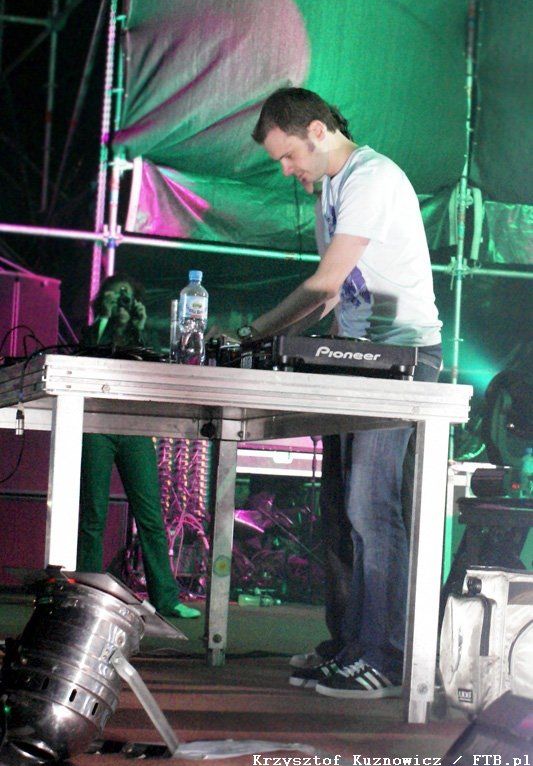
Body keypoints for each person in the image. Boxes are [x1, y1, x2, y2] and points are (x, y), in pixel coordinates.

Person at [227, 87, 443, 698]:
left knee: (372, 508)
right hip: (360, 360)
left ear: (318, 132)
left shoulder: (370, 178)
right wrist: (273, 345)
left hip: (402, 360)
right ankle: (350, 646)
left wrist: (252, 333)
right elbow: (332, 298)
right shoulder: (331, 189)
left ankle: (386, 657)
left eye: (288, 155)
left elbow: (324, 282)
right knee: (340, 512)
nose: (285, 169)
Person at [76, 274, 200, 619]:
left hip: (133, 428)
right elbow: (88, 352)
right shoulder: (93, 331)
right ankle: (87, 590)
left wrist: (140, 326)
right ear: (101, 299)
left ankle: (166, 598)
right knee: (93, 513)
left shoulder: (141, 335)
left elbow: (158, 365)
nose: (120, 301)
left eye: (126, 296)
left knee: (150, 516)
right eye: (114, 295)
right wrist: (105, 317)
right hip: (96, 425)